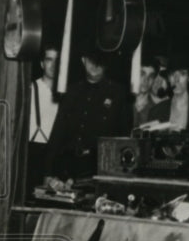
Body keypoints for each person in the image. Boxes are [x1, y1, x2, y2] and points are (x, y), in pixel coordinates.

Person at [44, 47, 130, 183]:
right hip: (67, 168)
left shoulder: (117, 93)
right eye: (91, 61)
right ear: (83, 61)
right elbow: (58, 132)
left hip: (99, 169)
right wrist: (48, 172)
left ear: (106, 64)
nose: (95, 66)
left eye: (100, 62)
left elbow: (124, 136)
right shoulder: (71, 91)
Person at [27, 46, 60, 188]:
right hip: (35, 153)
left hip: (57, 155)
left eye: (57, 61)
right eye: (49, 60)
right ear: (42, 64)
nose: (53, 65)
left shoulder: (67, 92)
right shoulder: (30, 88)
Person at [149, 61, 189, 130]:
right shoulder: (156, 112)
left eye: (182, 74)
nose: (176, 80)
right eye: (172, 74)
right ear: (168, 78)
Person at [133, 57, 168, 128]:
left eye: (151, 76)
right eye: (142, 74)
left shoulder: (157, 109)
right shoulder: (122, 102)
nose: (146, 80)